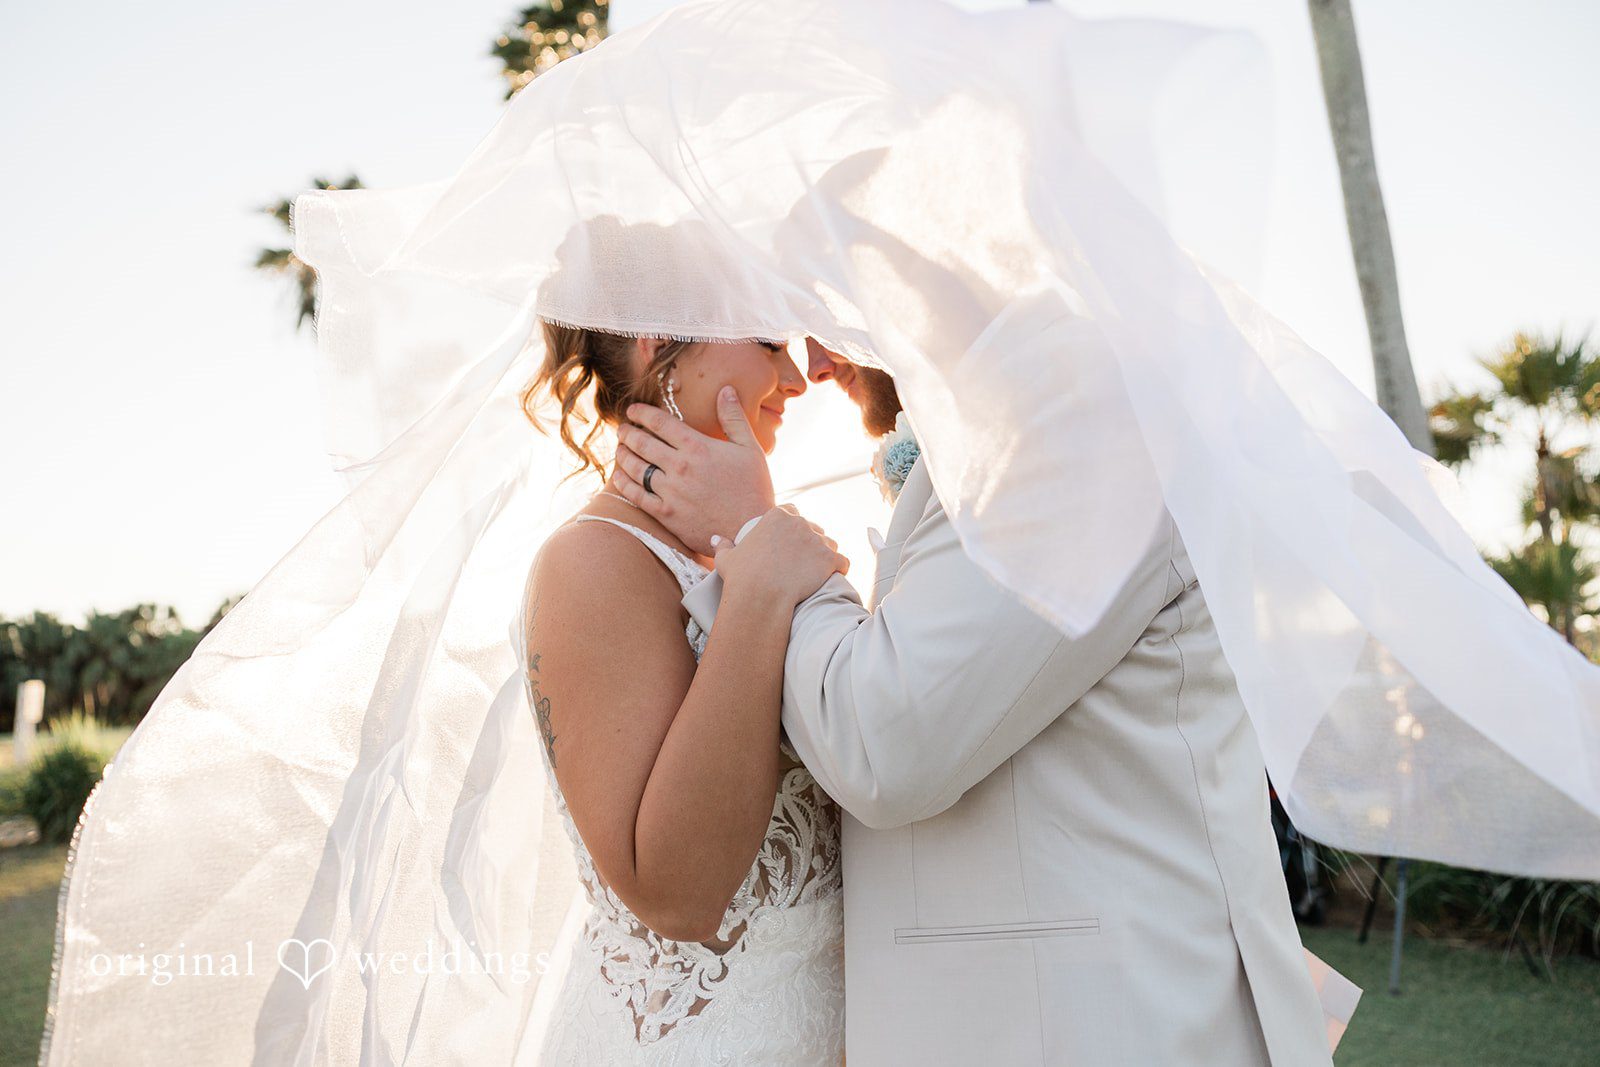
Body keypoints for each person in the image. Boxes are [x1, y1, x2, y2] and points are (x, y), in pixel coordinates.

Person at [610, 338, 1342, 1065]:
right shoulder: (1014, 426)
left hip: (1111, 1025)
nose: (815, 367)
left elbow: (885, 743)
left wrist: (758, 539)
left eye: (830, 314)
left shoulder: (1074, 422)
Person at [518, 319, 851, 1063]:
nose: (797, 380)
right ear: (657, 335)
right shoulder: (593, 560)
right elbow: (676, 893)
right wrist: (761, 588)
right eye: (769, 344)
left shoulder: (738, 544)